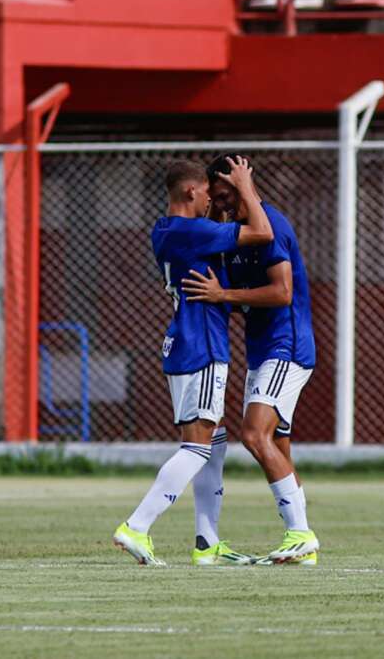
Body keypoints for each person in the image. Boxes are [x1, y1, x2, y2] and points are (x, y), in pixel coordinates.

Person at [112, 157, 273, 566]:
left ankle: (207, 541)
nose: (210, 203)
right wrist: (245, 186)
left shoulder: (165, 230)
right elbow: (262, 231)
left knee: (211, 441)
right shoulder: (194, 231)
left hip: (182, 344)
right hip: (202, 345)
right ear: (190, 192)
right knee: (197, 447)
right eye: (206, 194)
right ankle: (137, 526)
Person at [181, 154, 319, 565]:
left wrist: (224, 296)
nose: (223, 205)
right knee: (276, 442)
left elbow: (281, 293)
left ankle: (301, 534)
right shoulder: (235, 234)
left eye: (228, 194)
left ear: (245, 184)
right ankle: (301, 542)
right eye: (217, 199)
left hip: (287, 346)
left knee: (254, 433)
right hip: (263, 352)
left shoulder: (270, 224)